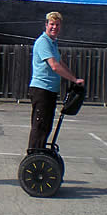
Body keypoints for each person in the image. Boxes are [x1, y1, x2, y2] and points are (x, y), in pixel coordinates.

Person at [27, 12, 84, 150]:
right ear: (46, 25)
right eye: (51, 24)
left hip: (50, 90)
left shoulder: (52, 43)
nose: (54, 27)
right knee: (40, 126)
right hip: (41, 89)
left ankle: (40, 152)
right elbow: (54, 65)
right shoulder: (43, 42)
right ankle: (34, 155)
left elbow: (60, 62)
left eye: (57, 25)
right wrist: (73, 79)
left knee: (46, 126)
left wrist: (74, 78)